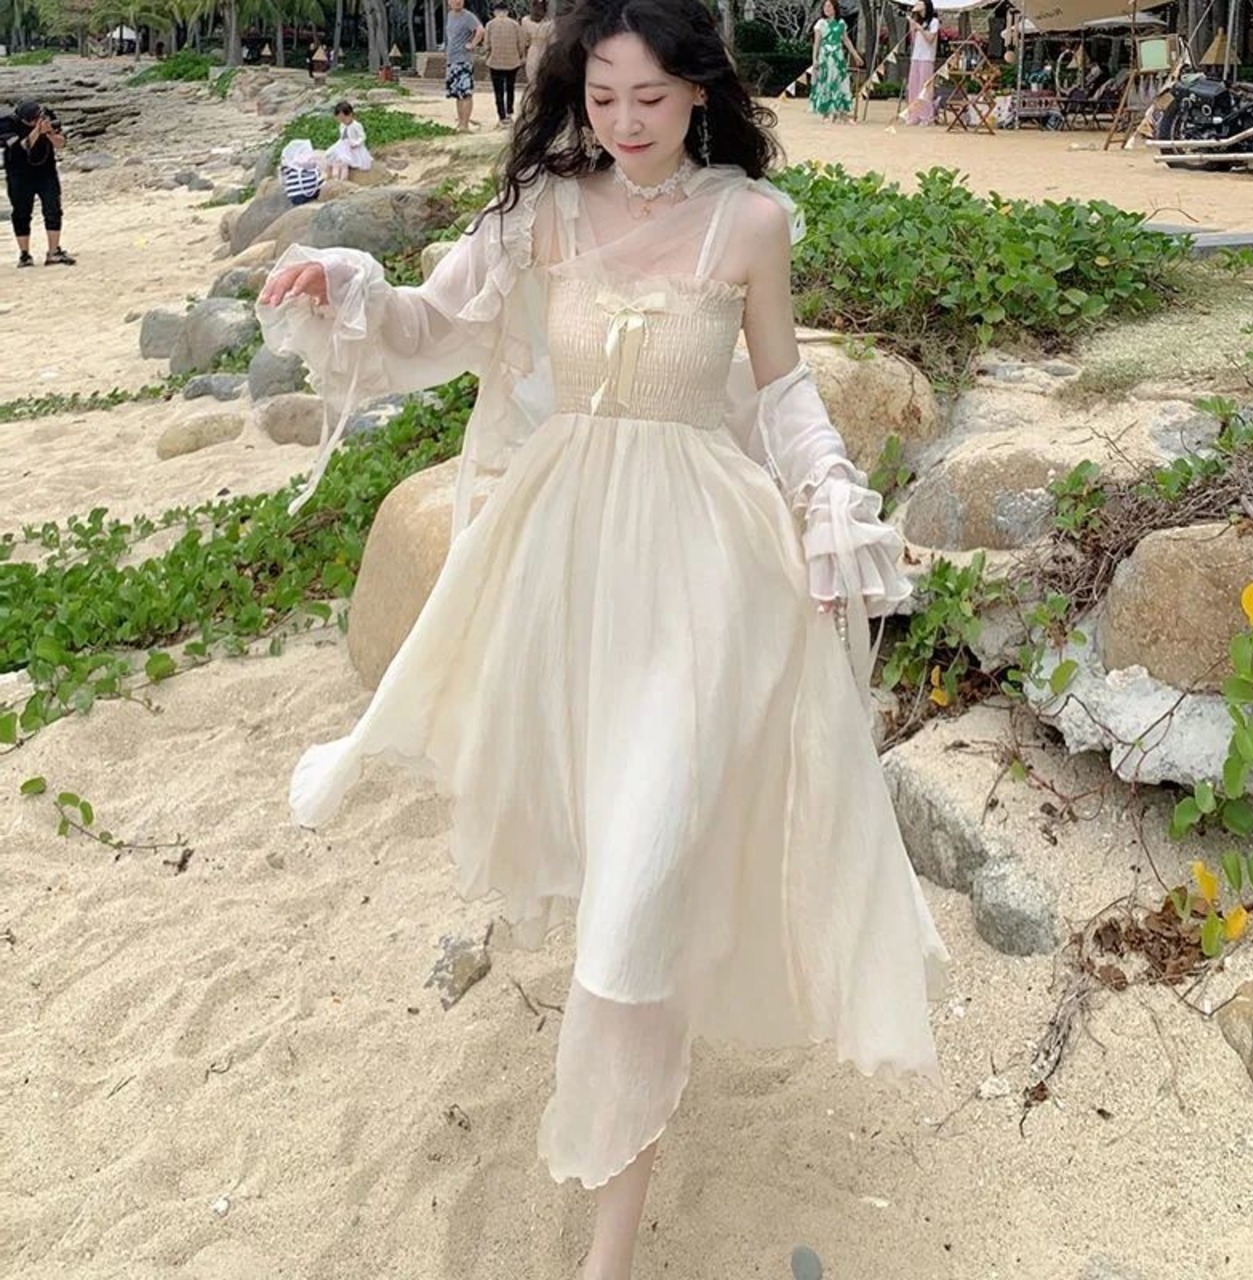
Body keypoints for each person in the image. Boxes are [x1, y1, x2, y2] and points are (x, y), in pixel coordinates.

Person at [257, 1, 946, 1276]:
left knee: (635, 892)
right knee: (615, 861)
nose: (624, 123)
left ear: (700, 92)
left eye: (650, 97)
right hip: (564, 574)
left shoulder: (749, 222)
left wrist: (831, 501)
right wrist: (340, 283)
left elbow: (785, 393)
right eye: (601, 97)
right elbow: (431, 325)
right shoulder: (544, 212)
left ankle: (606, 1254)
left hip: (705, 577)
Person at [1, 101, 74, 267]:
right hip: (19, 174)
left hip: (46, 172)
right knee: (21, 213)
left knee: (53, 210)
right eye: (33, 121)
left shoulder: (48, 117)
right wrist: (37, 131)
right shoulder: (8, 124)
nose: (36, 122)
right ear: (23, 120)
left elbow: (62, 144)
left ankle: (53, 252)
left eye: (38, 118)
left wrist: (49, 134)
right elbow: (21, 148)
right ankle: (24, 254)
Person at [809, 0, 862, 124]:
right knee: (826, 81)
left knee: (840, 81)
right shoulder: (820, 23)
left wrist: (855, 55)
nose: (827, 9)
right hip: (825, 56)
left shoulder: (841, 23)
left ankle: (841, 112)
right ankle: (826, 112)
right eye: (825, 6)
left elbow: (846, 40)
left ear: (835, 8)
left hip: (838, 56)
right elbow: (816, 43)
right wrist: (814, 59)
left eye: (829, 6)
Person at [484, 0, 527, 127]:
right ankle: (509, 112)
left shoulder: (490, 25)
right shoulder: (515, 24)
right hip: (512, 61)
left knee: (498, 91)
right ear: (507, 12)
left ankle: (501, 116)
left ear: (495, 12)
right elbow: (521, 42)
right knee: (510, 87)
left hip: (495, 61)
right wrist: (521, 56)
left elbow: (487, 44)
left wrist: (488, 55)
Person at [444, 0, 485, 133]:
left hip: (463, 60)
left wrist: (472, 44)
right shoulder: (450, 15)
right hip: (452, 60)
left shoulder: (468, 16)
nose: (458, 2)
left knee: (466, 93)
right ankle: (461, 122)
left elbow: (480, 30)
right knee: (457, 94)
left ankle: (465, 124)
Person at [906, 0, 941, 125]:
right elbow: (914, 41)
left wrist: (920, 28)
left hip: (927, 58)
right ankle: (914, 115)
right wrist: (913, 27)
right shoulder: (919, 21)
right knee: (913, 86)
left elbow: (930, 39)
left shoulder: (934, 22)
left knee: (924, 87)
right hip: (916, 57)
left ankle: (926, 116)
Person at [324, 101, 372, 181]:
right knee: (332, 158)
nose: (342, 121)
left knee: (344, 162)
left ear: (350, 114)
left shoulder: (356, 125)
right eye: (340, 119)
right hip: (344, 146)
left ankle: (343, 179)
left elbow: (363, 136)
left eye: (344, 119)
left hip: (354, 148)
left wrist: (356, 143)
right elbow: (342, 137)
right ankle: (332, 176)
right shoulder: (342, 125)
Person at [280, 139, 324, 205]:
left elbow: (283, 181)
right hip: (316, 189)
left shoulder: (288, 167)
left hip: (296, 194)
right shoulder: (312, 162)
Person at [521, 0, 554, 86]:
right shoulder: (550, 23)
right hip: (542, 50)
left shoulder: (525, 21)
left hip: (535, 50)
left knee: (533, 75)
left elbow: (524, 40)